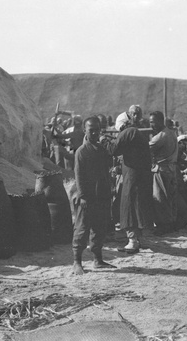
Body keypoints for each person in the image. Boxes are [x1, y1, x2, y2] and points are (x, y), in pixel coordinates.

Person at [72, 117, 116, 275]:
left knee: (99, 229)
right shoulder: (81, 152)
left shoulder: (102, 149)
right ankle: (77, 262)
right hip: (87, 197)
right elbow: (78, 175)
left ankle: (98, 260)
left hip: (102, 195)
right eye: (92, 130)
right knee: (82, 229)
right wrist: (82, 196)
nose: (95, 133)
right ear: (85, 131)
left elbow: (108, 168)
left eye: (98, 129)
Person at [102, 118, 153, 253]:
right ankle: (137, 239)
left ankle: (132, 241)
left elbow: (113, 149)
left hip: (133, 178)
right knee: (137, 206)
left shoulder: (128, 132)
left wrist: (104, 140)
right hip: (138, 176)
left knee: (128, 206)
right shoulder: (137, 133)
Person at [149, 111, 178, 234]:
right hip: (171, 169)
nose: (151, 125)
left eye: (153, 122)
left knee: (159, 198)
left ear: (160, 121)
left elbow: (146, 149)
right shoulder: (171, 133)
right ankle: (170, 223)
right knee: (169, 198)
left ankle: (163, 226)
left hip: (161, 170)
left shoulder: (160, 136)